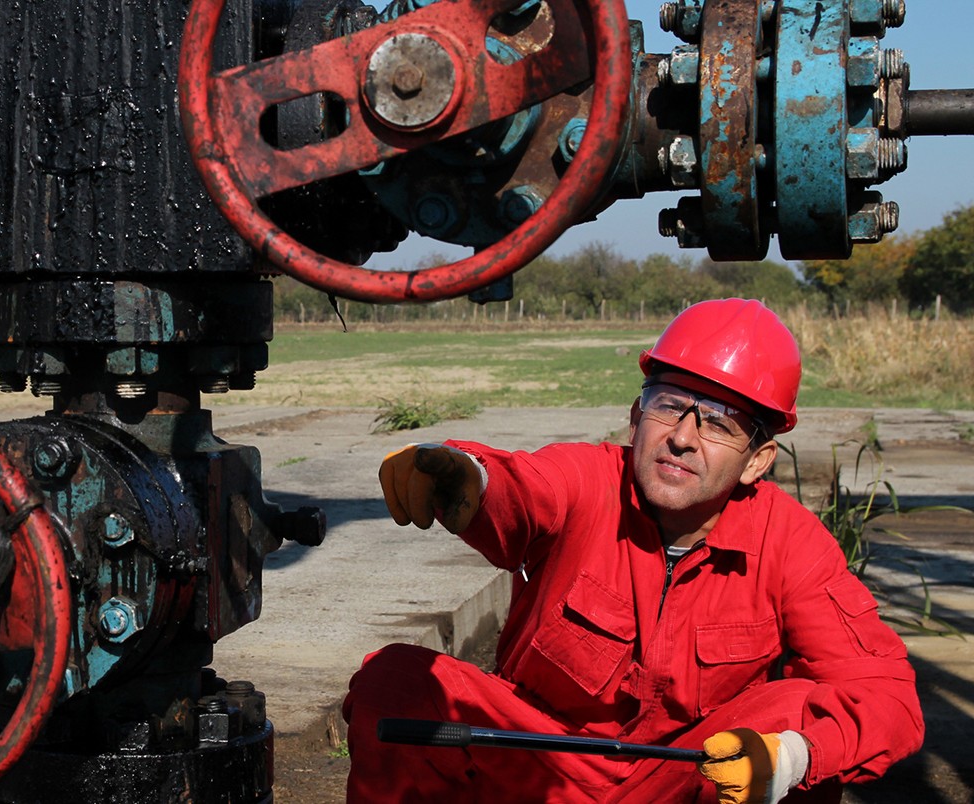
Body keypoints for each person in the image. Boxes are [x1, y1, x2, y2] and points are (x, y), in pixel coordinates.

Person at [344, 299, 923, 803]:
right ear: (635, 416)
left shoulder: (791, 543)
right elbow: (522, 491)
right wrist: (465, 475)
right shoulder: (590, 480)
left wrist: (792, 758)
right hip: (537, 765)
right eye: (670, 404)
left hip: (686, 783)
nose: (683, 437)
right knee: (400, 682)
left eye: (719, 423)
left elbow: (889, 698)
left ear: (756, 461)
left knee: (797, 716)